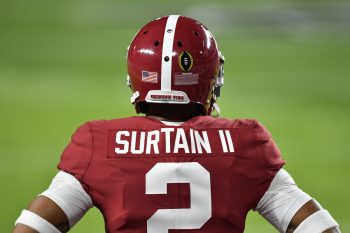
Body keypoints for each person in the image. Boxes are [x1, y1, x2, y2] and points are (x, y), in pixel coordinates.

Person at [13, 15, 340, 233]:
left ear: (135, 77)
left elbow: (30, 228)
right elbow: (320, 229)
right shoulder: (244, 143)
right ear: (208, 77)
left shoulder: (99, 143)